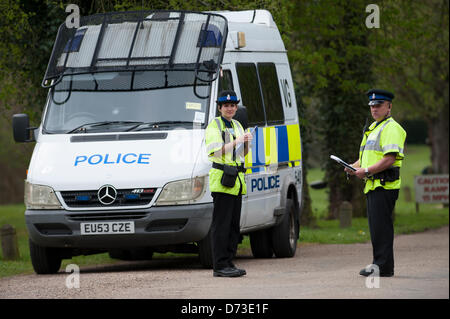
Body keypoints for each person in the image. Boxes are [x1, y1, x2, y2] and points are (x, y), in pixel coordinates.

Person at [345, 89, 406, 277]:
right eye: (372, 106)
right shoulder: (374, 128)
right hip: (373, 185)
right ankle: (381, 264)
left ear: (389, 107)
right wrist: (352, 166)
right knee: (377, 229)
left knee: (382, 229)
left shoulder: (391, 128)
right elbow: (367, 158)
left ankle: (383, 266)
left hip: (384, 185)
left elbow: (389, 159)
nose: (374, 109)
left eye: (378, 105)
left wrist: (367, 171)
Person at [204, 90, 253, 277]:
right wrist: (236, 141)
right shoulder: (214, 126)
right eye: (226, 105)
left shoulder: (238, 125)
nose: (230, 108)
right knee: (221, 226)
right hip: (223, 180)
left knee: (234, 226)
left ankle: (229, 262)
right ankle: (220, 265)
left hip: (237, 181)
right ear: (219, 108)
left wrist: (247, 143)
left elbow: (242, 155)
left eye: (233, 105)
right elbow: (214, 152)